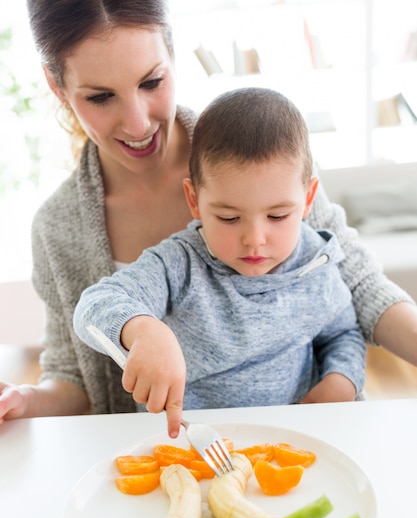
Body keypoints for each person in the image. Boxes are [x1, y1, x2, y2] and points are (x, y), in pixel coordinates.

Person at [0, 0, 416, 430]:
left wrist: (341, 380)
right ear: (57, 86)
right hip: (181, 450)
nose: (138, 123)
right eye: (101, 97)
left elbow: (356, 289)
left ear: (173, 55)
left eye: (152, 81)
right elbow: (73, 374)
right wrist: (24, 401)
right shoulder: (59, 227)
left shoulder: (262, 158)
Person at [73, 87, 368, 436]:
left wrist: (340, 382)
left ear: (307, 200)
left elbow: (344, 334)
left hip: (291, 444)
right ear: (194, 201)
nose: (255, 238)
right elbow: (93, 306)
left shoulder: (315, 263)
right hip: (193, 445)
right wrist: (142, 329)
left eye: (277, 216)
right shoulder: (178, 263)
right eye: (229, 218)